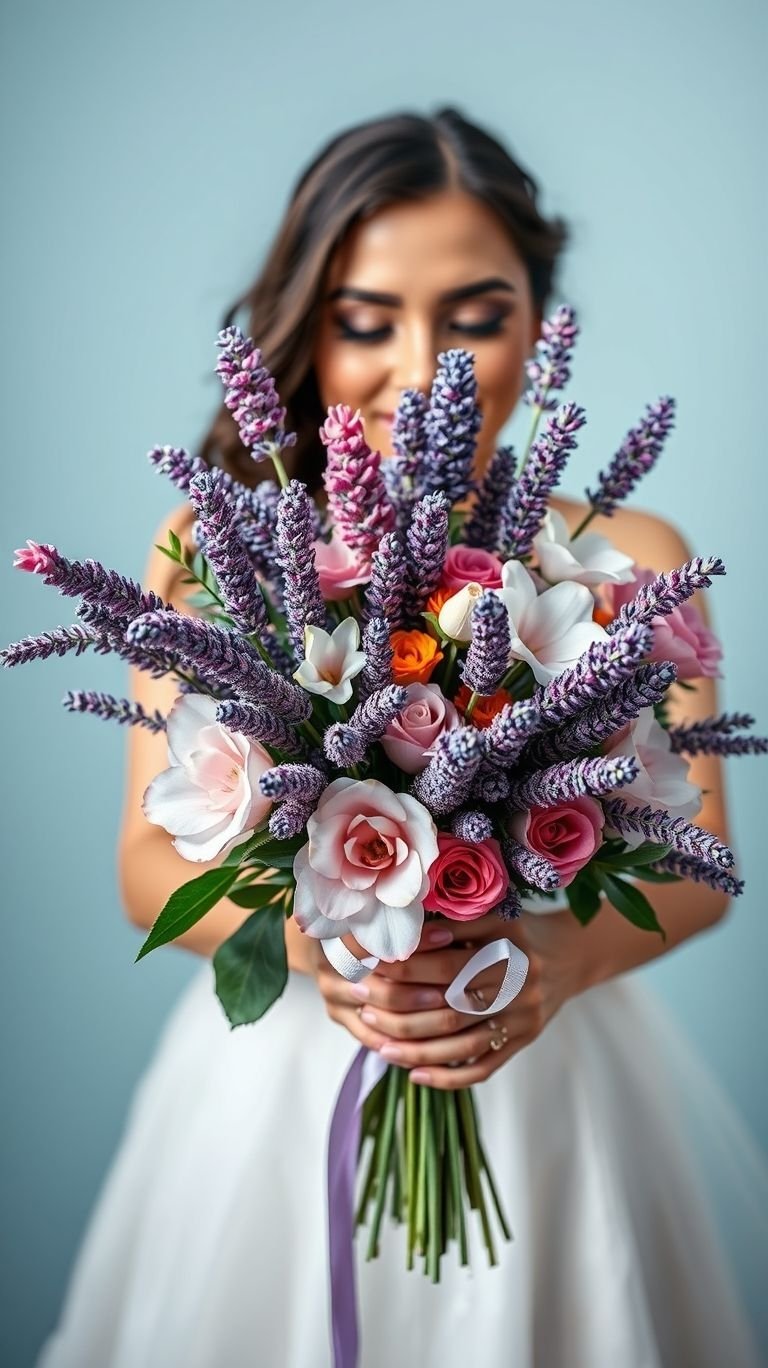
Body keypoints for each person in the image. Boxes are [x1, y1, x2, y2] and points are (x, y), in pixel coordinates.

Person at [38, 108, 764, 1368]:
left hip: (551, 1060)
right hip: (288, 1080)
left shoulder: (636, 560)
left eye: (475, 314)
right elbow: (145, 867)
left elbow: (704, 861)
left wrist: (541, 968)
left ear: (539, 324)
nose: (422, 367)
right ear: (309, 328)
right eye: (366, 320)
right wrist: (348, 967)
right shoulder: (215, 549)